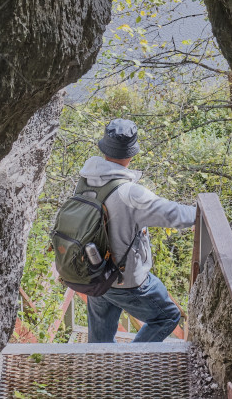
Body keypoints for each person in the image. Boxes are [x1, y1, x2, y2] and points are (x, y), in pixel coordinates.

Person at [77, 118, 195, 343]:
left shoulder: (85, 181)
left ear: (103, 149)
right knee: (168, 316)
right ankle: (132, 365)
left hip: (94, 273)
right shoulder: (130, 193)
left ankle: (101, 374)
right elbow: (175, 215)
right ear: (131, 154)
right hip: (125, 280)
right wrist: (204, 211)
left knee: (100, 342)